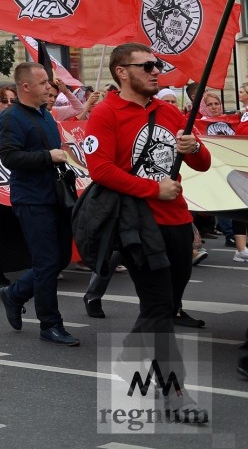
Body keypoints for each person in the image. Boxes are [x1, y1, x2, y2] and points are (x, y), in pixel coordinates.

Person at [84, 45, 211, 342]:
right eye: (147, 66)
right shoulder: (105, 113)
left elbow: (203, 163)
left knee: (169, 303)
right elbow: (100, 169)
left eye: (157, 66)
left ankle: (138, 362)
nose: (156, 71)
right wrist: (153, 189)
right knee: (157, 303)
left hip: (177, 219)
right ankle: (157, 375)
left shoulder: (168, 111)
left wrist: (193, 147)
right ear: (122, 72)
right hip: (137, 223)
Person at [0, 61, 79, 346]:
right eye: (43, 83)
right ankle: (50, 324)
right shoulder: (11, 118)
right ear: (26, 87)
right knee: (46, 262)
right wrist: (48, 156)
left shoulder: (45, 114)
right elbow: (9, 157)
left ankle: (15, 293)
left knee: (61, 259)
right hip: (32, 200)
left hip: (55, 196)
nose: (49, 87)